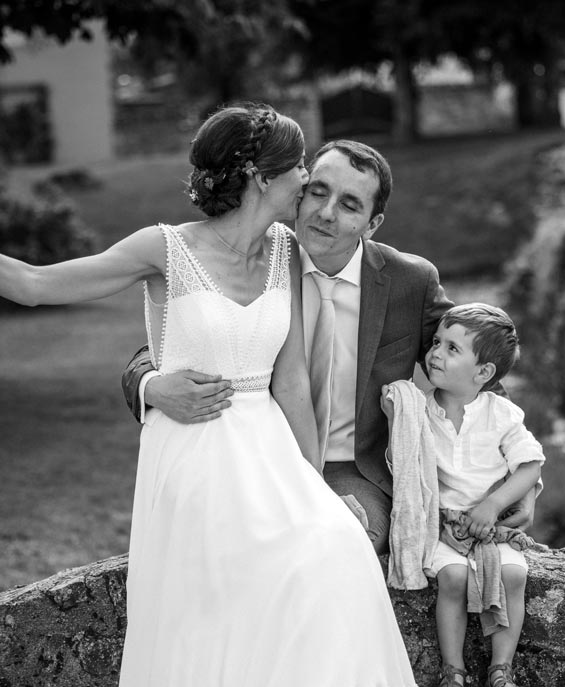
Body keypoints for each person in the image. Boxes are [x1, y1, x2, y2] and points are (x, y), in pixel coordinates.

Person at [0, 103, 441, 687]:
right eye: (300, 169)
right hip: (194, 457)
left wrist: (314, 488)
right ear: (256, 176)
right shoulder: (163, 249)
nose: (307, 183)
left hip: (267, 448)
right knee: (226, 605)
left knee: (332, 550)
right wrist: (154, 382)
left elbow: (291, 380)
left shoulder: (283, 252)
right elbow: (34, 286)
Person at [121, 139, 537, 553]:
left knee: (336, 543)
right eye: (318, 193)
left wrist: (519, 482)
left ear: (372, 224)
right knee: (228, 540)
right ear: (300, 194)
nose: (325, 213)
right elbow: (170, 342)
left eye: (349, 205)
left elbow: (476, 371)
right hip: (256, 457)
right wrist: (150, 385)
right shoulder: (259, 260)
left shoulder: (410, 282)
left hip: (352, 470)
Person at [381, 304, 545, 687]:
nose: (435, 353)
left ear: (483, 372)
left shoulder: (501, 414)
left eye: (452, 349)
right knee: (453, 578)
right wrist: (395, 418)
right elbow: (404, 466)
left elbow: (530, 465)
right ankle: (452, 674)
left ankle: (502, 670)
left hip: (491, 526)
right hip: (443, 528)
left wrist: (493, 504)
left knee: (513, 574)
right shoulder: (418, 409)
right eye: (436, 342)